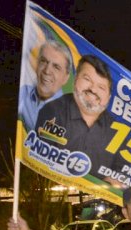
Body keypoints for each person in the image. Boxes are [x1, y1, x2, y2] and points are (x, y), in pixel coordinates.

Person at [34, 54, 118, 185]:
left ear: (109, 96)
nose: (93, 89)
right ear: (75, 80)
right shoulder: (52, 111)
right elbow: (39, 162)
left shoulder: (116, 129)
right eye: (87, 79)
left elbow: (120, 173)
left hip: (101, 196)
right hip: (55, 191)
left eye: (101, 87)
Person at [19, 40, 72, 131]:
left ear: (66, 78)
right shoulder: (23, 92)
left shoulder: (70, 116)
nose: (47, 71)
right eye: (44, 61)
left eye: (56, 67)